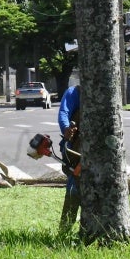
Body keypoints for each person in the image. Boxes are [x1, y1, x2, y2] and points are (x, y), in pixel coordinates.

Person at [57, 85, 81, 232]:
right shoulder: (74, 93)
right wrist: (67, 128)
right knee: (73, 187)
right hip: (75, 149)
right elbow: (63, 113)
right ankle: (65, 230)